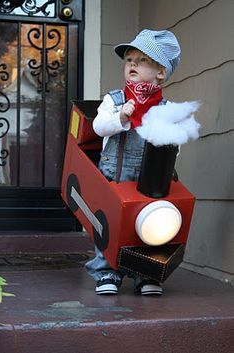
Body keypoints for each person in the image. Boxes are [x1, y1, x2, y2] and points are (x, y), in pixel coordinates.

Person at [85, 29, 181, 295]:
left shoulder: (166, 109)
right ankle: (106, 272)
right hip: (114, 174)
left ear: (160, 72)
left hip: (150, 178)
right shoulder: (115, 100)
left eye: (141, 60)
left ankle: (145, 273)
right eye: (129, 60)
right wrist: (122, 118)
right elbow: (99, 127)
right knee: (110, 223)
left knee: (148, 226)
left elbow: (175, 145)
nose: (132, 65)